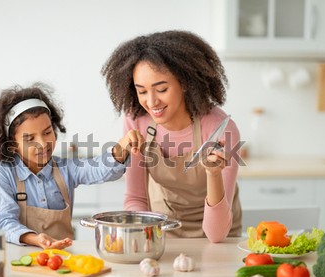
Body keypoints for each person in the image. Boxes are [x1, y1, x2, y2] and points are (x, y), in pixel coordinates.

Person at [101, 30, 242, 242]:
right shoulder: (136, 121)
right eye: (142, 91)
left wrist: (213, 174)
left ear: (184, 83)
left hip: (220, 233)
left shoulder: (219, 129)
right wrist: (140, 234)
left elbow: (216, 234)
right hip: (162, 228)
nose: (151, 102)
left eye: (162, 89)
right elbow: (135, 197)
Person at [0, 82, 144, 249]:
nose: (43, 144)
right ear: (12, 145)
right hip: (19, 259)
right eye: (30, 139)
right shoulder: (1, 172)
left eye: (47, 132)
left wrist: (123, 145)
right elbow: (3, 222)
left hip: (62, 258)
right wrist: (35, 239)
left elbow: (100, 168)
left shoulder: (65, 168)